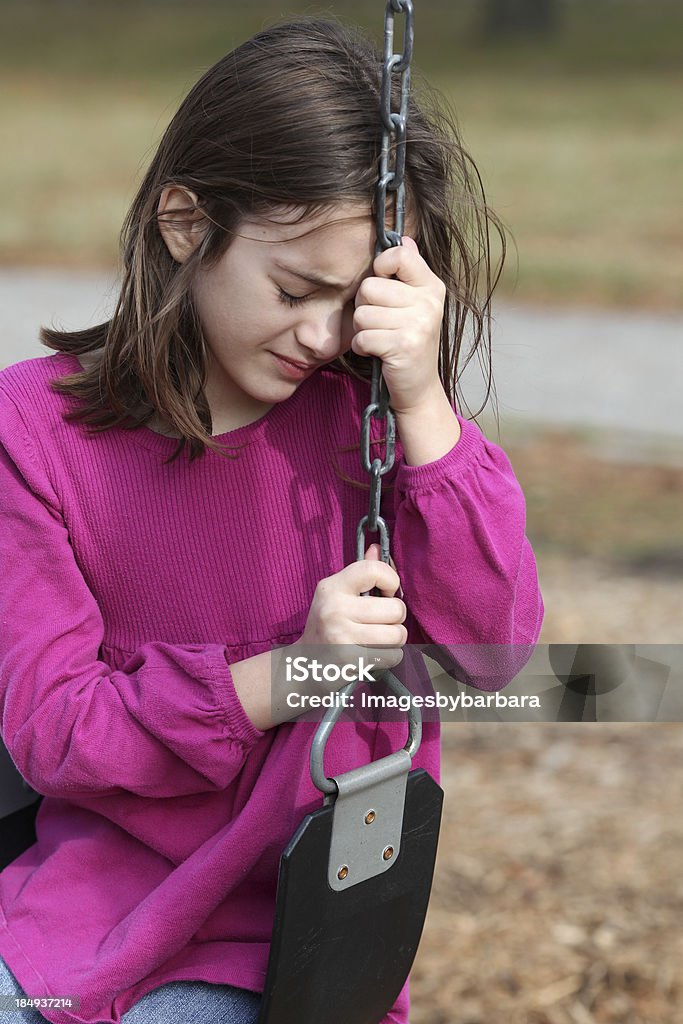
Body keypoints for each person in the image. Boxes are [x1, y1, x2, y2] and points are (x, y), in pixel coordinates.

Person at [0, 16, 543, 1024]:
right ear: (181, 222)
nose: (324, 335)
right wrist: (290, 672)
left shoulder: (369, 433)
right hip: (85, 912)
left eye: (356, 302)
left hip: (285, 946)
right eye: (296, 289)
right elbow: (53, 733)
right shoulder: (34, 431)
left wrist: (423, 401)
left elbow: (493, 654)